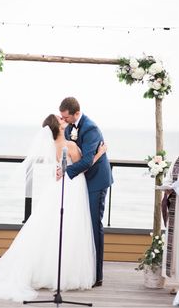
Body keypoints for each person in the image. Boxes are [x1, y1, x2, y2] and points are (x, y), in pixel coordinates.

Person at [0, 114, 106, 303]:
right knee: (70, 228)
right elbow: (83, 166)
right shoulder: (68, 145)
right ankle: (63, 273)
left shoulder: (54, 146)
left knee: (53, 229)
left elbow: (60, 169)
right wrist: (100, 153)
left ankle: (49, 271)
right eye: (60, 120)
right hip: (73, 188)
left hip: (60, 187)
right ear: (59, 127)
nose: (63, 120)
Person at [58, 97, 113, 287]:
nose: (65, 121)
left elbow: (88, 160)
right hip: (83, 180)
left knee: (94, 225)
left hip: (97, 180)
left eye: (67, 118)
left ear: (76, 113)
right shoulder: (71, 127)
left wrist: (65, 172)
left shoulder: (91, 128)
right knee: (83, 225)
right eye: (62, 118)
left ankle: (97, 275)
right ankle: (84, 269)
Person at [160, 155, 179, 306]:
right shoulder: (177, 159)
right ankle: (178, 282)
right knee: (176, 247)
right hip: (176, 206)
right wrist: (167, 187)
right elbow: (168, 179)